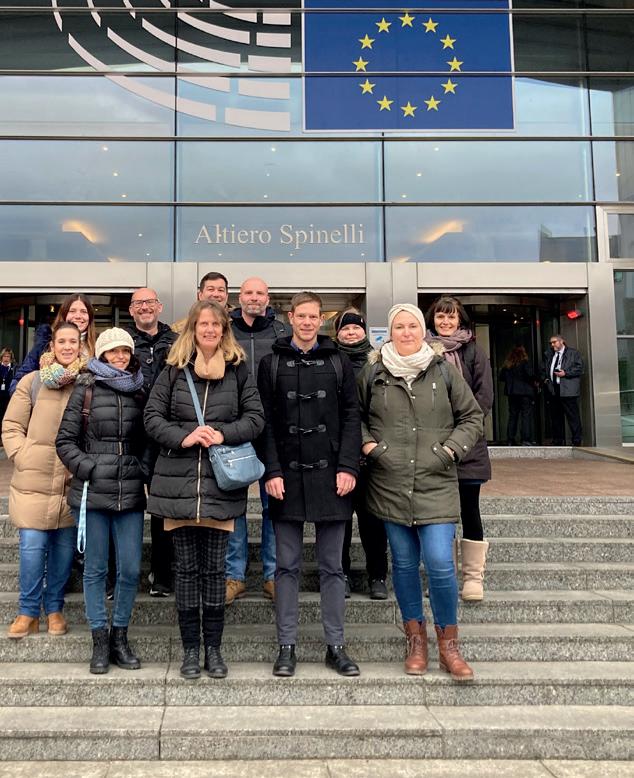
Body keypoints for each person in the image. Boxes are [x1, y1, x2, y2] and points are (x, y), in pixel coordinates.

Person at [358, 304, 482, 680]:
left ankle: (449, 645)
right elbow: (355, 417)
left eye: (413, 326)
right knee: (405, 564)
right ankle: (416, 640)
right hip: (390, 483)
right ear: (390, 332)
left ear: (422, 329)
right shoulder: (374, 372)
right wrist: (371, 448)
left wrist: (449, 451)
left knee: (441, 563)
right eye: (399, 327)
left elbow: (472, 416)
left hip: (436, 481)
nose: (407, 332)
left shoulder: (442, 369)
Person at [144, 300, 265, 681]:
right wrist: (185, 436)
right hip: (178, 485)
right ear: (192, 329)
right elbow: (152, 417)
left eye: (216, 324)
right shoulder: (173, 369)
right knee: (185, 571)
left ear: (224, 329)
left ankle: (213, 648)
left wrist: (223, 433)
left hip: (220, 486)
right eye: (203, 324)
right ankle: (190, 650)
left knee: (214, 572)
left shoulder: (238, 369)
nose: (210, 330)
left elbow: (256, 419)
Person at [257, 291, 361, 678]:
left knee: (333, 567)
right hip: (285, 477)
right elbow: (265, 422)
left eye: (313, 316)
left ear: (321, 319)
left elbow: (352, 417)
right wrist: (271, 471)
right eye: (301, 316)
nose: (306, 322)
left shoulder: (338, 361)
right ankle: (286, 647)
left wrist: (348, 466)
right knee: (286, 567)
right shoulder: (270, 363)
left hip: (333, 476)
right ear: (290, 317)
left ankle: (336, 646)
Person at [56, 328, 147, 675]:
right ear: (102, 354)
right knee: (95, 569)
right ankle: (99, 639)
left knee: (130, 568)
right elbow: (65, 441)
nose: (120, 357)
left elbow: (149, 438)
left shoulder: (139, 389)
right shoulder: (86, 388)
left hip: (130, 491)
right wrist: (89, 467)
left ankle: (119, 636)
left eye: (125, 351)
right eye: (113, 351)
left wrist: (142, 468)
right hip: (92, 492)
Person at [2, 323, 84, 639]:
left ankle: (54, 610)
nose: (67, 346)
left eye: (73, 341)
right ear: (53, 345)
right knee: (32, 548)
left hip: (69, 480)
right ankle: (27, 612)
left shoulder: (87, 382)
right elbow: (12, 425)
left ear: (80, 346)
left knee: (63, 551)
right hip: (32, 479)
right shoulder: (32, 381)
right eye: (61, 341)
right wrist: (21, 455)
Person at [226, 276, 290, 605]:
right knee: (234, 502)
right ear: (239, 297)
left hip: (273, 427)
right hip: (235, 425)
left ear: (268, 298)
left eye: (260, 293)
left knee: (272, 503)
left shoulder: (282, 333)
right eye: (248, 292)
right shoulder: (226, 331)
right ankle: (234, 576)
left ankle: (273, 575)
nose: (254, 297)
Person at [425, 296, 493, 603]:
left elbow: (484, 396)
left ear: (460, 320)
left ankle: (473, 578)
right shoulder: (424, 350)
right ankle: (443, 576)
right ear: (433, 319)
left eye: (451, 317)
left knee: (469, 509)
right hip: (433, 445)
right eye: (441, 317)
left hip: (468, 446)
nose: (446, 322)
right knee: (439, 514)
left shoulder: (473, 352)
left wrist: (462, 430)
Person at [333, 307, 388, 601]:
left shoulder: (379, 362)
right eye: (345, 328)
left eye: (356, 327)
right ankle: (340, 574)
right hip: (338, 452)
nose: (351, 332)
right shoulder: (330, 360)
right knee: (339, 519)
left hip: (371, 453)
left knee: (372, 519)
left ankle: (377, 575)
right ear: (337, 333)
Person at [126, 287, 177, 598]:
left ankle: (162, 575)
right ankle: (122, 576)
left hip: (165, 438)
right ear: (131, 310)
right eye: (138, 303)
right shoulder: (122, 342)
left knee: (162, 509)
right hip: (129, 437)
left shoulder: (177, 341)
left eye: (150, 302)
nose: (145, 307)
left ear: (159, 307)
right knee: (126, 508)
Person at [11, 293, 96, 393]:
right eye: (72, 311)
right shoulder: (44, 344)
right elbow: (18, 383)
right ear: (64, 314)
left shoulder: (98, 348)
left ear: (90, 317)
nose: (78, 316)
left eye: (83, 311)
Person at [541, 334, 584, 446]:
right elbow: (544, 369)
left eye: (554, 342)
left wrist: (566, 373)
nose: (552, 345)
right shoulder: (549, 354)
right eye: (551, 343)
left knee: (572, 416)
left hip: (568, 390)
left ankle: (577, 440)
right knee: (555, 416)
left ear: (561, 341)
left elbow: (579, 368)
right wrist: (546, 379)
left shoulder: (573, 353)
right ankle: (557, 440)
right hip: (553, 389)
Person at [499, 346, 536, 446]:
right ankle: (525, 439)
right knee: (525, 415)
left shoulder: (508, 365)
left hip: (512, 393)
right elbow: (530, 375)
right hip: (524, 392)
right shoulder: (524, 363)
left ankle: (510, 439)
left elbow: (501, 377)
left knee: (513, 415)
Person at [0, 348, 15, 423]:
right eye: (4, 356)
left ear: (11, 358)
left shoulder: (15, 368)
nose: (6, 358)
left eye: (8, 356)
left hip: (9, 397)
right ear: (1, 357)